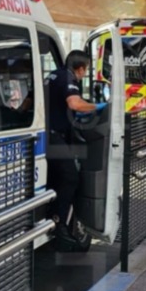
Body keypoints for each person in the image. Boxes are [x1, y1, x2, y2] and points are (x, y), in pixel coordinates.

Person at [44, 50, 106, 236]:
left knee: (55, 178)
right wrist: (99, 107)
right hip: (54, 137)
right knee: (71, 177)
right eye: (85, 70)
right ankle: (59, 221)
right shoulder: (68, 78)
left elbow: (28, 102)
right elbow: (75, 104)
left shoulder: (52, 76)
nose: (84, 74)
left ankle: (50, 215)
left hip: (44, 135)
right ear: (80, 68)